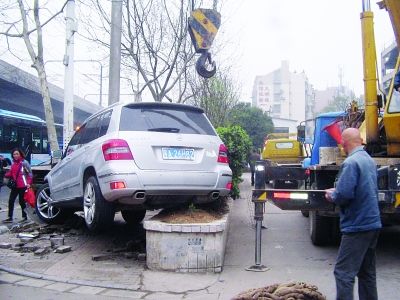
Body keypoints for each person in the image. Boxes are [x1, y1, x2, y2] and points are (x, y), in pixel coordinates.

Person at [325, 128, 381, 300]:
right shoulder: (368, 160)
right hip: (372, 223)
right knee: (366, 273)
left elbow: (344, 195)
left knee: (343, 273)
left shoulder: (351, 163)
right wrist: (340, 190)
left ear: (345, 142)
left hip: (358, 225)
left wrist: (332, 194)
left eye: (342, 141)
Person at [2, 148, 33, 223]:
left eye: (17, 154)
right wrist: (4, 175)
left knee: (21, 201)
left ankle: (24, 217)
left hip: (23, 186)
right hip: (15, 185)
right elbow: (11, 173)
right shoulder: (13, 164)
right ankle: (10, 217)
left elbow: (30, 174)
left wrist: (29, 183)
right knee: (11, 201)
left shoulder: (24, 163)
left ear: (20, 154)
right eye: (14, 154)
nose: (15, 155)